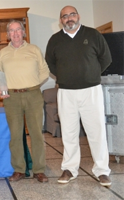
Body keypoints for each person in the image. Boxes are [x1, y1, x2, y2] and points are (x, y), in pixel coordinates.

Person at [45, 5, 112, 186]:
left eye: (72, 14)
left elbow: (106, 58)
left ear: (78, 16)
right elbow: (50, 63)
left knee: (96, 131)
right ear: (61, 20)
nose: (69, 18)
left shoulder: (93, 35)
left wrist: (91, 74)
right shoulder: (55, 40)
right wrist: (65, 76)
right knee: (69, 132)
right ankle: (69, 168)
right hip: (66, 93)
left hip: (91, 91)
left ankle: (102, 170)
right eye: (65, 16)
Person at [0, 20, 50, 183]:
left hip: (33, 94)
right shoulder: (2, 53)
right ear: (8, 35)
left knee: (36, 134)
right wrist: (3, 89)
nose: (15, 33)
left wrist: (34, 84)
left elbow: (45, 71)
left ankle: (39, 170)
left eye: (18, 30)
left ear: (23, 32)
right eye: (11, 31)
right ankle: (19, 169)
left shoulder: (34, 49)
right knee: (15, 135)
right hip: (11, 98)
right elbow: (1, 75)